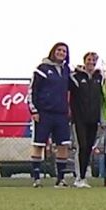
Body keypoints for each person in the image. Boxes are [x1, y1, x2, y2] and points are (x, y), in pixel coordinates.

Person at [28, 42, 72, 188]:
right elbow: (32, 90)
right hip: (44, 113)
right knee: (39, 144)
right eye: (59, 50)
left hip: (61, 114)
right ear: (53, 51)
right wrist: (34, 111)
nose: (61, 53)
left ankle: (60, 179)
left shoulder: (66, 70)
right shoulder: (42, 69)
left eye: (64, 51)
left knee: (63, 145)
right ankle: (36, 179)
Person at [69, 51, 103, 188]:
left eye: (94, 60)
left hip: (93, 119)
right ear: (85, 61)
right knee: (81, 147)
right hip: (79, 119)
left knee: (89, 148)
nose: (91, 62)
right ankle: (79, 177)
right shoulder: (76, 77)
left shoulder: (99, 78)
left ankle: (84, 178)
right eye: (89, 59)